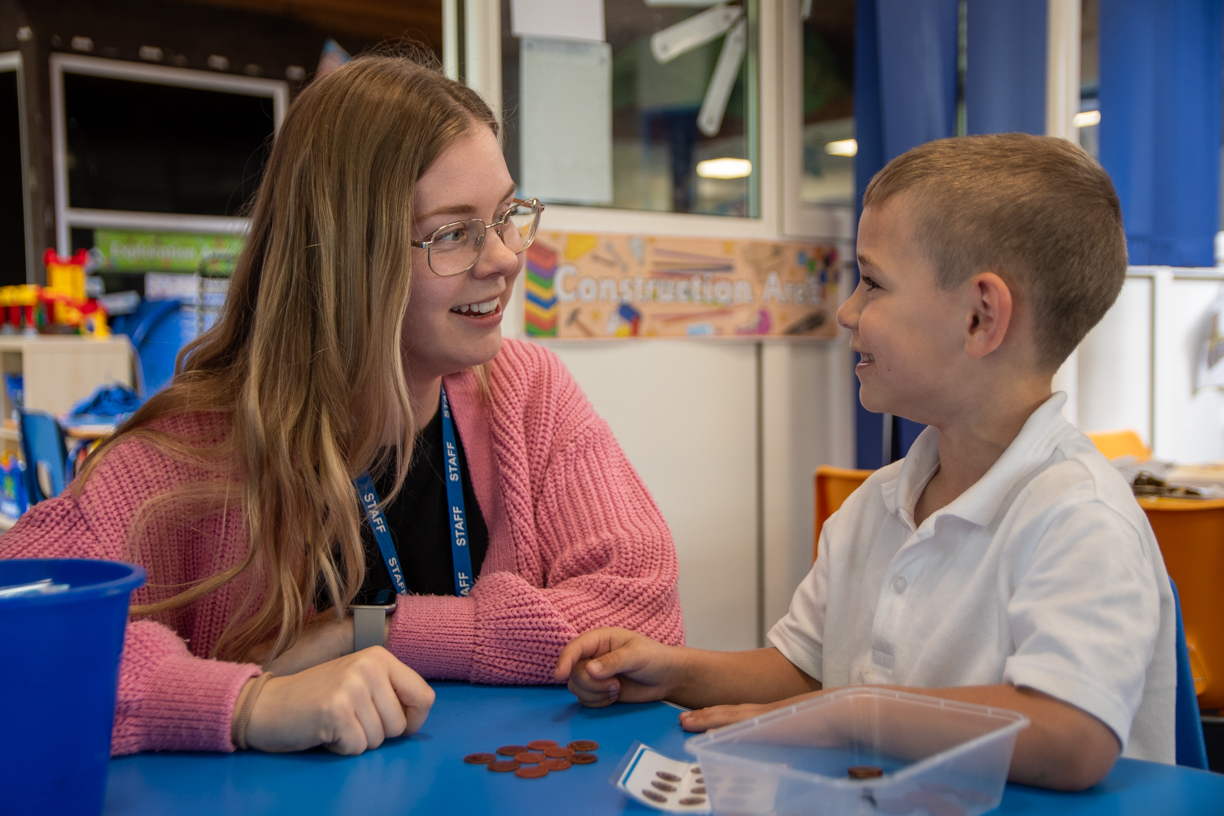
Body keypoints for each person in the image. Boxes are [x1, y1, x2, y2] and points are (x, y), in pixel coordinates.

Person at [0, 53, 682, 756]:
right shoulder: (194, 450)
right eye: (453, 232)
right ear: (343, 257)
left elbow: (644, 623)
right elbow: (21, 639)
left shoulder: (528, 392)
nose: (506, 258)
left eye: (507, 214)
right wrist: (247, 704)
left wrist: (377, 628)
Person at [556, 133, 1175, 792]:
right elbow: (807, 670)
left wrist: (855, 716)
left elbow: (1072, 738)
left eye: (872, 282)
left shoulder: (1079, 518)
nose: (848, 311)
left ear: (979, 317)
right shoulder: (876, 505)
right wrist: (677, 670)